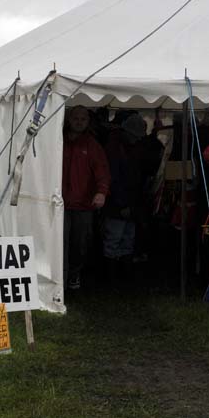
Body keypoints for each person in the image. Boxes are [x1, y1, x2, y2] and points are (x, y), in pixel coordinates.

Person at [62, 106, 110, 291]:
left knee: (80, 245)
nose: (79, 122)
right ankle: (61, 282)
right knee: (61, 244)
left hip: (83, 205)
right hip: (60, 204)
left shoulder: (92, 145)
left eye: (83, 118)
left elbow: (102, 171)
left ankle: (74, 274)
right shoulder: (59, 140)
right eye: (76, 118)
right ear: (69, 119)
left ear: (88, 121)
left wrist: (101, 192)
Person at [102, 114, 151, 279]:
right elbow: (114, 179)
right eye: (135, 137)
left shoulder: (127, 147)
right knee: (115, 239)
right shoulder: (114, 149)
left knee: (126, 238)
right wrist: (122, 204)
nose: (137, 140)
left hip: (129, 202)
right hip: (118, 203)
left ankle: (120, 275)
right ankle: (114, 276)